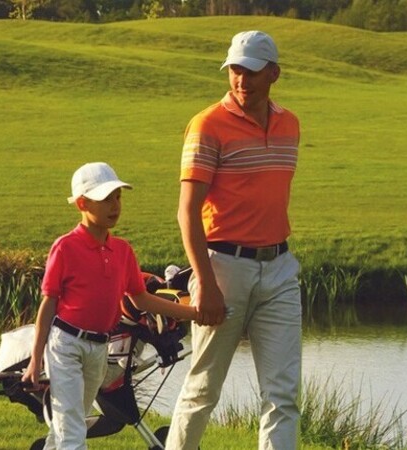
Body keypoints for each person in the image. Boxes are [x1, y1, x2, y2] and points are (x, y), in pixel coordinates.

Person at [168, 30, 303, 450]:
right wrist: (205, 283)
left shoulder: (289, 124)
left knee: (282, 395)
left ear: (274, 74)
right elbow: (187, 212)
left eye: (251, 72)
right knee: (204, 388)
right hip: (224, 267)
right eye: (235, 71)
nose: (241, 81)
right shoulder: (207, 124)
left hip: (280, 267)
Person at [25, 162, 200, 450]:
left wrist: (193, 314)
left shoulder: (122, 251)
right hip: (66, 345)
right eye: (106, 199)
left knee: (72, 422)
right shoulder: (65, 247)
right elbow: (49, 305)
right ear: (82, 203)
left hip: (99, 350)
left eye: (118, 197)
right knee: (72, 433)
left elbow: (141, 299)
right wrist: (35, 360)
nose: (115, 205)